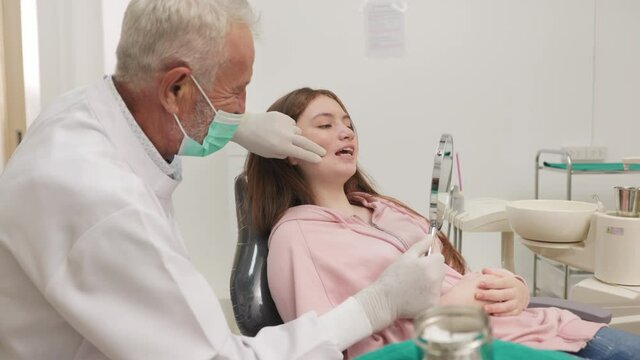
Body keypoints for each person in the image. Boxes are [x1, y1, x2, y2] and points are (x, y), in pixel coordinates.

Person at [0, 1, 446, 359]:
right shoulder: (106, 204)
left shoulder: (84, 112)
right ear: (175, 89)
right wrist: (377, 304)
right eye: (235, 92)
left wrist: (234, 122)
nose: (243, 106)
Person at [244, 87, 640, 360]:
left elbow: (461, 277)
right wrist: (448, 308)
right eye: (326, 124)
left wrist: (512, 289)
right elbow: (336, 347)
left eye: (347, 123)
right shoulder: (299, 235)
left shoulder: (383, 210)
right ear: (289, 150)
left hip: (551, 328)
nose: (346, 131)